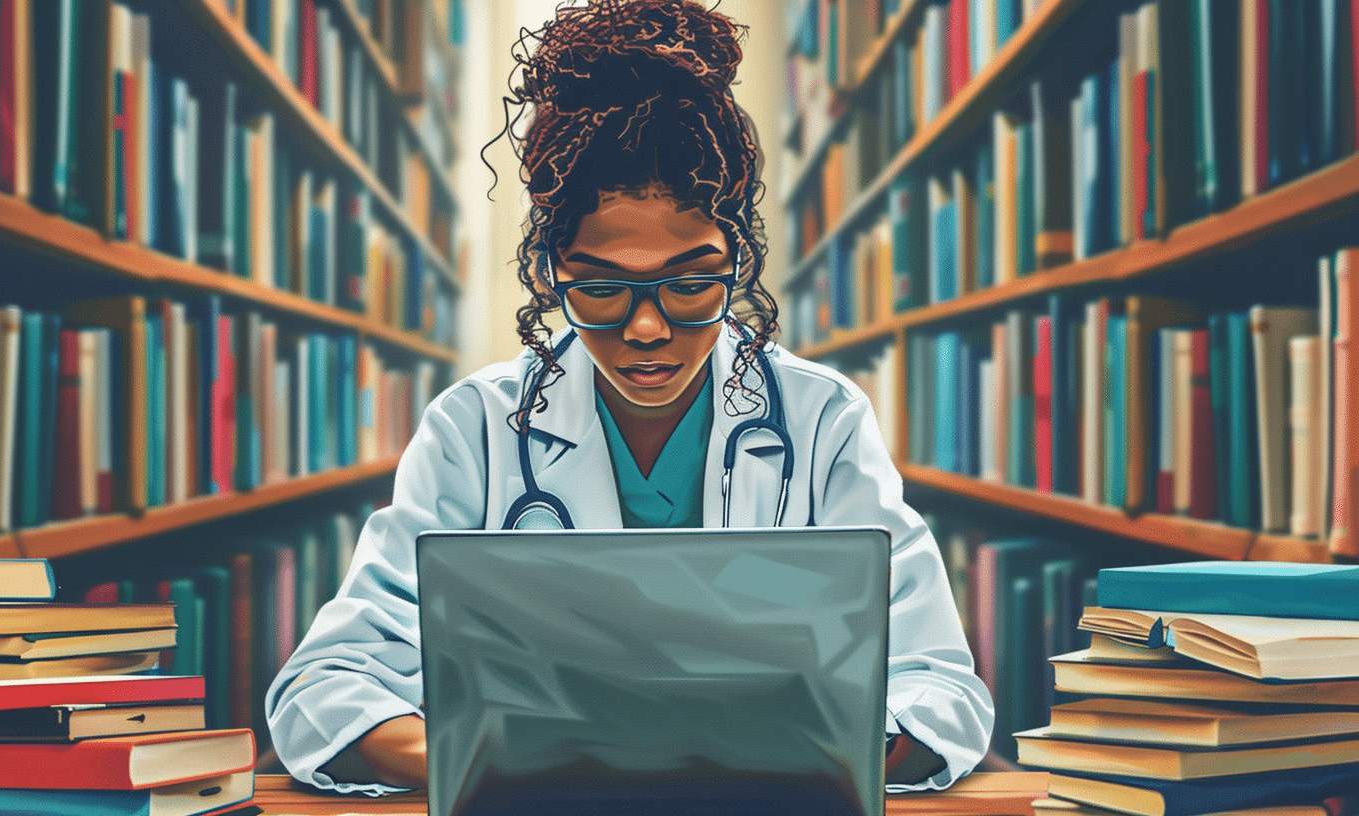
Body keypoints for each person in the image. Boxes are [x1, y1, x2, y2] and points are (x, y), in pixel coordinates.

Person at [266, 0, 993, 797]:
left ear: (739, 262)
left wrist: (811, 763)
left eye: (689, 283)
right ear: (551, 274)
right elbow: (322, 691)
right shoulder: (475, 428)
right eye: (603, 288)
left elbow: (942, 691)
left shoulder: (821, 421)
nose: (647, 328)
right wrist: (493, 762)